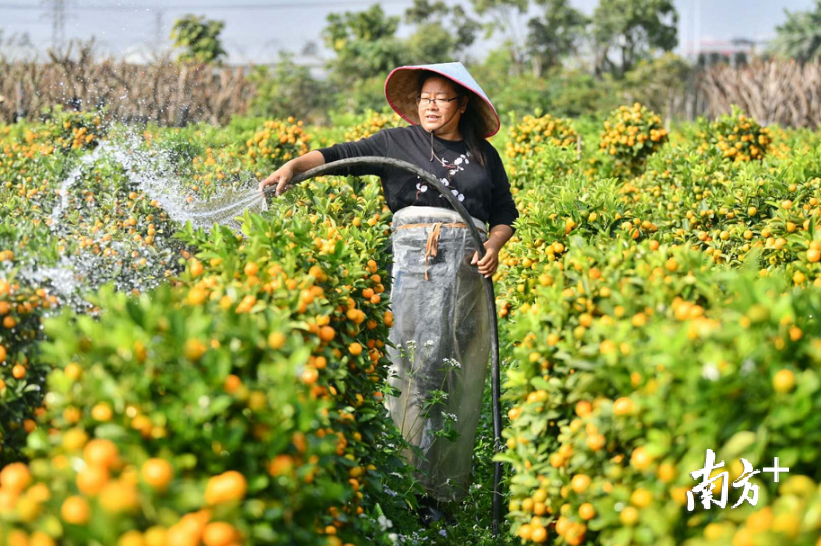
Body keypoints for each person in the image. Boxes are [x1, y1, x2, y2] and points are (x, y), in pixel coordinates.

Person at [258, 62, 518, 526]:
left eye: (441, 98)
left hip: (464, 277)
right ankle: (401, 482)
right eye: (425, 97)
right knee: (411, 368)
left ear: (463, 106)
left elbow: (503, 213)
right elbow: (338, 155)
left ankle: (440, 494)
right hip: (414, 270)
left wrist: (493, 247)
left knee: (450, 376)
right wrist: (292, 168)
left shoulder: (484, 156)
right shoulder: (395, 142)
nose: (431, 105)